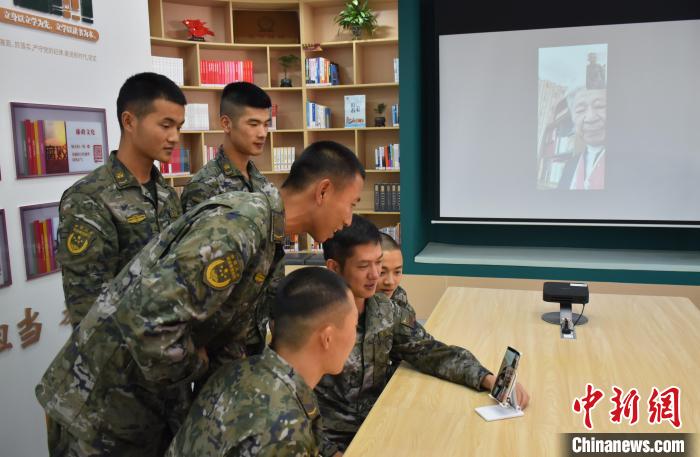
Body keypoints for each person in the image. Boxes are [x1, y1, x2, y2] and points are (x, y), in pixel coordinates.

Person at [36, 140, 365, 457]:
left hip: (144, 404)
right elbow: (148, 323)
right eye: (351, 204)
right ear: (323, 191)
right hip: (102, 408)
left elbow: (232, 333)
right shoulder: (240, 227)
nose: (349, 220)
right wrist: (198, 364)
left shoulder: (266, 234)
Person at [316, 215, 530, 455]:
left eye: (378, 263)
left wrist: (489, 379)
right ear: (334, 268)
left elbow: (428, 351)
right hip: (333, 443)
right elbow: (294, 404)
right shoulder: (311, 320)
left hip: (380, 426)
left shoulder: (383, 308)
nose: (376, 275)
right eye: (364, 266)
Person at [165, 267, 358, 457]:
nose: (354, 337)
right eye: (354, 326)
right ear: (327, 338)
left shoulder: (236, 370)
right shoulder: (285, 432)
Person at [56, 72, 185, 327]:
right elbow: (89, 312)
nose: (175, 137)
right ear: (129, 121)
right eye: (166, 125)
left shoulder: (167, 194)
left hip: (173, 341)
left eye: (178, 127)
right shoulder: (88, 198)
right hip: (125, 348)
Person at [180, 82, 277, 212]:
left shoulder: (261, 180)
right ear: (226, 124)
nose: (262, 134)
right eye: (253, 124)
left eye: (266, 125)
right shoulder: (203, 187)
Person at [558, 87, 607, 190]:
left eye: (599, 106)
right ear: (573, 119)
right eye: (580, 110)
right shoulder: (570, 166)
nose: (590, 118)